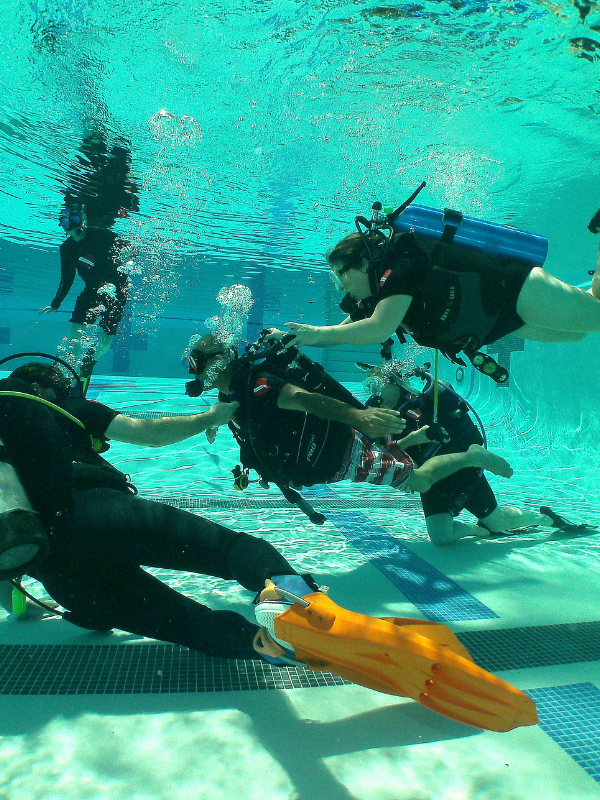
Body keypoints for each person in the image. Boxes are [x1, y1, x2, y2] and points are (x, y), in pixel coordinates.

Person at [0, 361, 303, 659]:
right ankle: (305, 606)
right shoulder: (67, 409)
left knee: (192, 625)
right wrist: (212, 416)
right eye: (59, 386)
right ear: (38, 389)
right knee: (227, 551)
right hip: (102, 515)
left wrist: (41, 606)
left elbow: (12, 598)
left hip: (62, 575)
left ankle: (272, 649)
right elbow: (151, 434)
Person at [185, 334, 514, 511]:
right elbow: (236, 414)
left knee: (419, 481)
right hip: (326, 462)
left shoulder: (259, 385)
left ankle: (472, 455)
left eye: (196, 362)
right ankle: (409, 442)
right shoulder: (232, 392)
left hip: (343, 454)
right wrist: (214, 424)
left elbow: (306, 399)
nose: (192, 371)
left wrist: (359, 416)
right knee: (395, 455)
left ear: (220, 362)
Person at [275, 207, 600, 373]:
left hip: (515, 289)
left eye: (340, 276)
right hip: (501, 319)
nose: (341, 287)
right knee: (578, 333)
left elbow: (379, 329)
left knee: (597, 316)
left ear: (361, 264)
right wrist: (294, 337)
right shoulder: (378, 296)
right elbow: (345, 331)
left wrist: (316, 333)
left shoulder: (398, 261)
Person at [362, 361, 591, 545]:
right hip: (431, 482)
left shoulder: (425, 401)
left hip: (463, 473)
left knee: (499, 522)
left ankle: (547, 519)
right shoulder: (380, 418)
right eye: (370, 388)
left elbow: (461, 418)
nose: (374, 394)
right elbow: (380, 454)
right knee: (441, 538)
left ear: (396, 383)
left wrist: (438, 389)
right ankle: (480, 531)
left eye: (377, 386)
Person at [38, 134, 140, 379]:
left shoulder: (102, 235)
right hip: (91, 290)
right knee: (74, 332)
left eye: (75, 220)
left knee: (105, 339)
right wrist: (56, 304)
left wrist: (129, 252)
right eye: (67, 223)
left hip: (117, 293)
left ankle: (89, 362)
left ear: (82, 217)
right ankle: (72, 369)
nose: (73, 227)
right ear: (63, 226)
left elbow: (130, 247)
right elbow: (67, 278)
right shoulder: (67, 249)